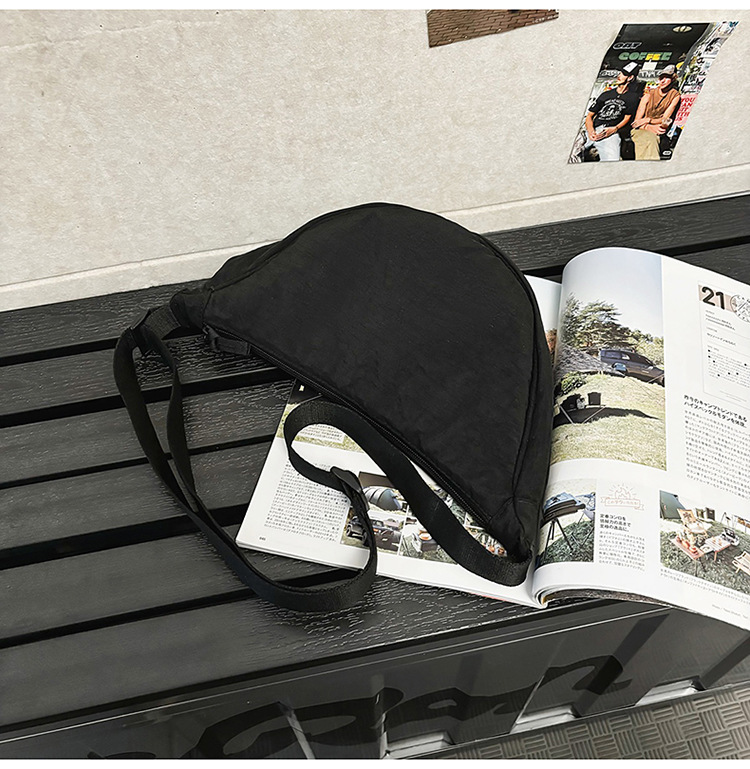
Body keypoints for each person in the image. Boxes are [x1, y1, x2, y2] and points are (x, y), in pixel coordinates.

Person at [583, 61, 641, 162]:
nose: (619, 76)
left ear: (630, 78)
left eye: (623, 74)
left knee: (612, 160)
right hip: (593, 129)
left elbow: (627, 118)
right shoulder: (606, 94)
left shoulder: (633, 97)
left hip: (610, 132)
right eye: (620, 73)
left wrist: (615, 129)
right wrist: (591, 131)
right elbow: (589, 116)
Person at [631, 64, 681, 161]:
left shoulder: (674, 95)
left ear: (673, 79)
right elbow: (636, 122)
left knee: (653, 138)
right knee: (648, 138)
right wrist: (648, 126)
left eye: (667, 78)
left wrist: (648, 120)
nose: (663, 81)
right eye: (661, 78)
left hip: (658, 128)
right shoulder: (649, 94)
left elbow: (664, 119)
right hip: (641, 129)